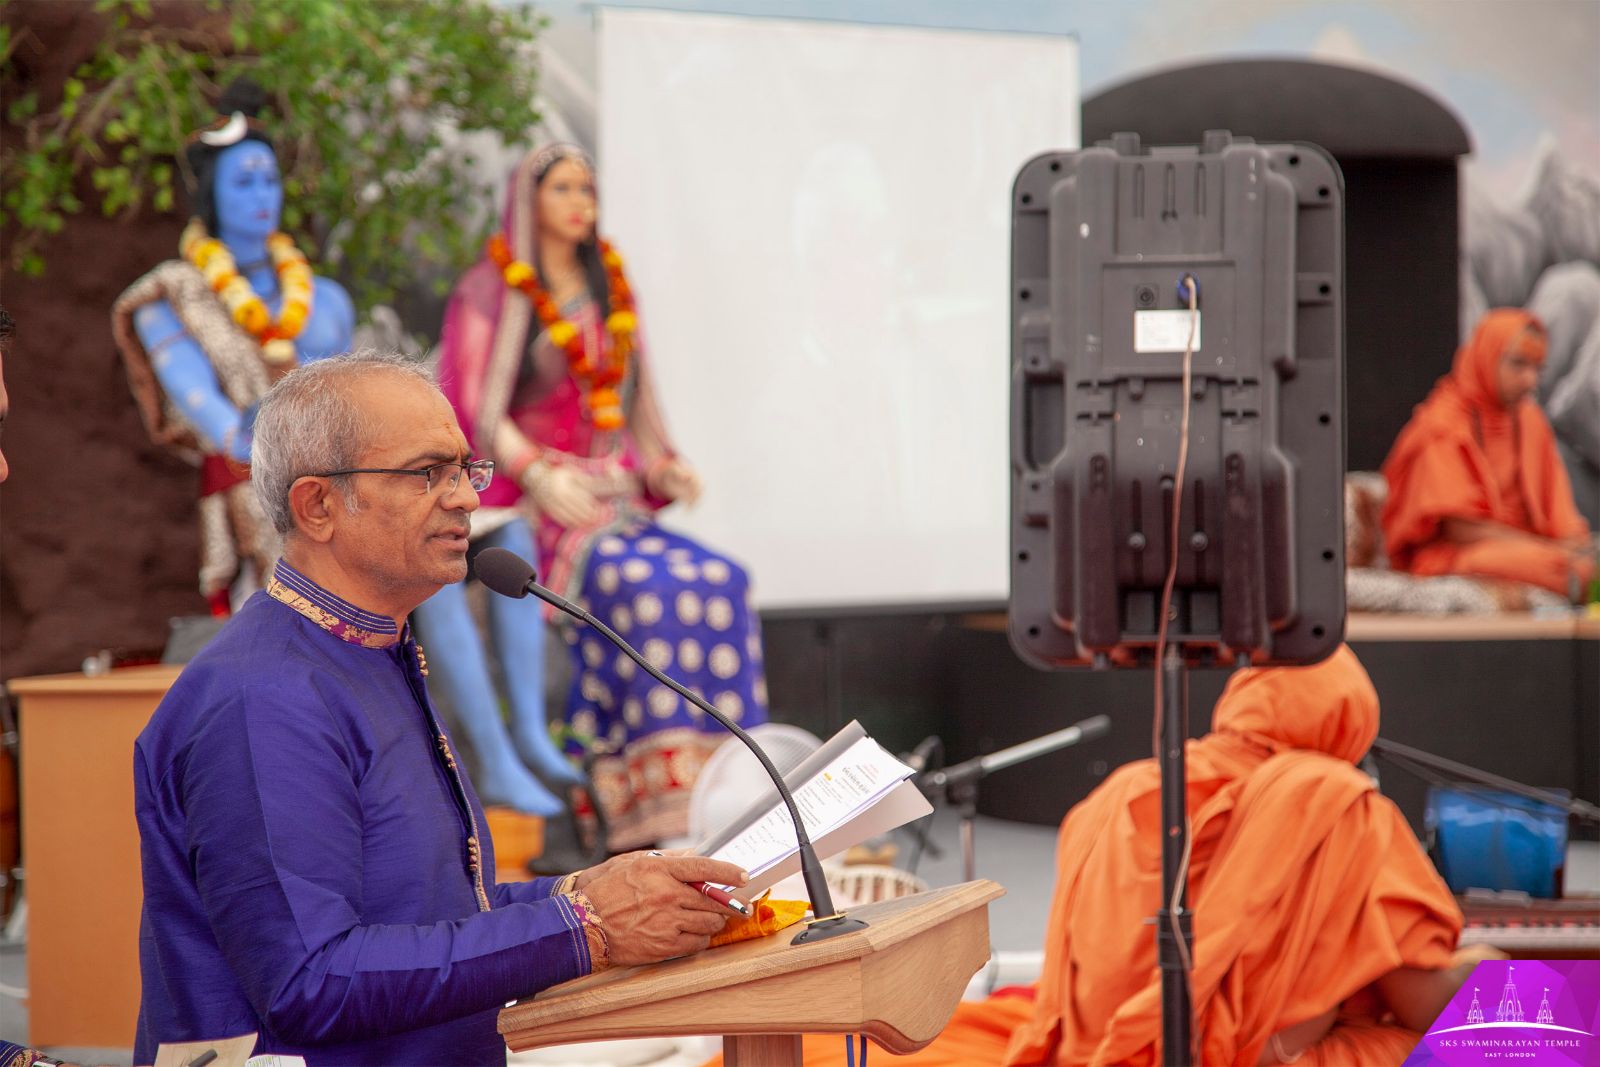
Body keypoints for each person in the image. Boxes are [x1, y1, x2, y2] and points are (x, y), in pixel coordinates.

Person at [133, 352, 748, 1065]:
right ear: (318, 505)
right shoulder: (262, 697)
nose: (466, 499)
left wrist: (589, 890)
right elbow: (312, 979)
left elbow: (431, 909)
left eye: (466, 470)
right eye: (429, 473)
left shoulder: (369, 650)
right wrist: (583, 925)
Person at [723, 646, 1492, 1067]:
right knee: (1500, 1036)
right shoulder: (1338, 802)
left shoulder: (1125, 789)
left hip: (1094, 1051)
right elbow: (1429, 999)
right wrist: (1486, 960)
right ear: (1349, 728)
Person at [435, 143, 769, 849]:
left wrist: (667, 466)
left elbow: (638, 405)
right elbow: (473, 403)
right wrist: (536, 474)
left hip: (618, 502)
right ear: (530, 201)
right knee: (639, 584)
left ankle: (726, 798)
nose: (581, 201)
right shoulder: (489, 291)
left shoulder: (612, 291)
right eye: (563, 188)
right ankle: (643, 806)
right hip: (534, 510)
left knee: (722, 577)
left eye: (587, 188)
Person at [112, 79, 355, 615]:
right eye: (244, 183)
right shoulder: (171, 297)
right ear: (210, 194)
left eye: (269, 180)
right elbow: (217, 423)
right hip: (255, 491)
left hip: (345, 487)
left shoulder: (326, 300)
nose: (262, 196)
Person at [1382, 308, 1594, 598]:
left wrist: (1577, 544)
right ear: (1487, 357)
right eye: (1518, 365)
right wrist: (1551, 551)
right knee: (1565, 570)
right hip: (1457, 555)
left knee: (1585, 562)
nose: (1530, 381)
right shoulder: (1442, 424)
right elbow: (1461, 531)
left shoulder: (1530, 421)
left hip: (1534, 549)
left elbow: (1560, 512)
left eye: (1537, 369)